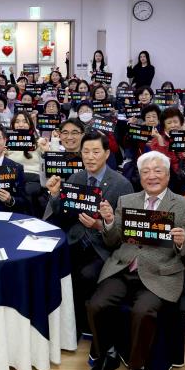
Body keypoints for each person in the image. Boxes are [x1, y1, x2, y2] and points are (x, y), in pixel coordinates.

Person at [88, 151, 185, 370]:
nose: (152, 176)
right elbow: (112, 241)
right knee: (96, 305)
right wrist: (109, 221)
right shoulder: (127, 200)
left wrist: (183, 241)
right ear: (140, 177)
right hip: (123, 268)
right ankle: (107, 353)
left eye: (157, 170)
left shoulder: (184, 206)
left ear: (168, 174)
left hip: (159, 274)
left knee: (142, 312)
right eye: (145, 172)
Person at [45, 131, 134, 338]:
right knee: (53, 266)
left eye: (96, 152)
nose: (90, 157)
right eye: (86, 152)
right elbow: (62, 213)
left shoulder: (122, 184)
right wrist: (55, 195)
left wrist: (100, 224)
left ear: (107, 154)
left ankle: (80, 326)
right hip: (74, 240)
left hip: (103, 247)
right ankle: (60, 324)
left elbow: (124, 228)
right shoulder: (76, 177)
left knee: (84, 275)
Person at [148, 107, 185, 193]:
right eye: (169, 123)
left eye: (175, 122)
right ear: (164, 126)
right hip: (168, 181)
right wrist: (160, 140)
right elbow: (164, 162)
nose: (173, 125)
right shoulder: (156, 140)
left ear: (181, 123)